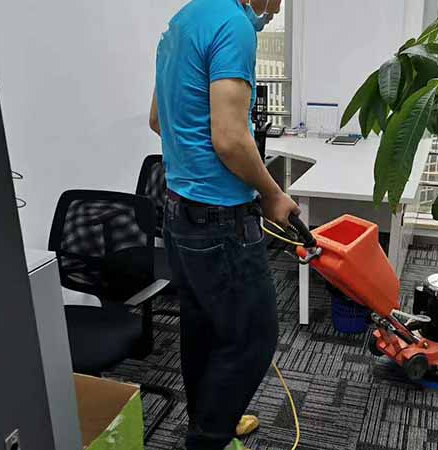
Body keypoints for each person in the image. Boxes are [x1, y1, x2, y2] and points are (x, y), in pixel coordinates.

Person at [149, 1, 300, 449]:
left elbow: (158, 120)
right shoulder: (233, 25)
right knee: (253, 339)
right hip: (220, 222)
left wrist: (193, 164)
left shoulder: (183, 21)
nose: (276, 9)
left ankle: (210, 423)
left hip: (178, 211)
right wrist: (272, 193)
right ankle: (207, 439)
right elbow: (231, 139)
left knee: (203, 330)